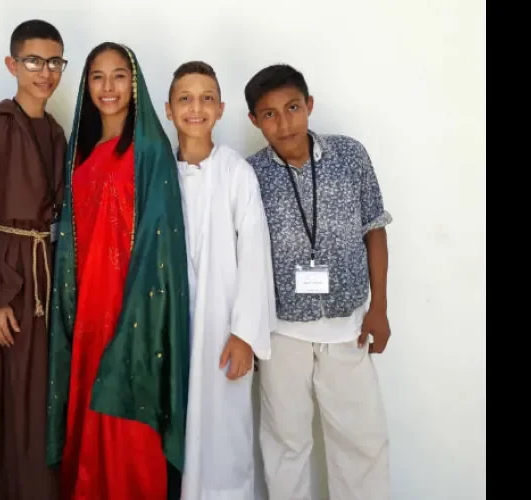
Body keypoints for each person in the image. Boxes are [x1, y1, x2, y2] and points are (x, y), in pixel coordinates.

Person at [45, 42, 191, 500]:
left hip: (133, 304)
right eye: (97, 77)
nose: (108, 88)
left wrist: (136, 315)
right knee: (87, 399)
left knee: (128, 399)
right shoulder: (80, 150)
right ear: (86, 84)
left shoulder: (149, 148)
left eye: (119, 76)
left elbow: (161, 237)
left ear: (135, 83)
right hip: (84, 302)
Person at [244, 63, 392, 500]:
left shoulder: (349, 156)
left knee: (362, 441)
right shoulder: (250, 175)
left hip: (349, 327)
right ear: (254, 120)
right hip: (281, 333)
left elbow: (375, 228)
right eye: (269, 114)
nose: (284, 122)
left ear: (309, 105)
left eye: (292, 107)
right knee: (286, 444)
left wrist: (379, 307)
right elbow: (243, 260)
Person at [0, 19, 67, 500]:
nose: (45, 72)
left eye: (54, 62)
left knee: (38, 393)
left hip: (43, 277)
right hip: (4, 274)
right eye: (33, 61)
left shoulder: (57, 132)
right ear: (12, 65)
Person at [164, 61, 277, 500]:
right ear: (169, 110)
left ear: (222, 108)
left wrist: (245, 334)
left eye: (207, 98)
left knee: (223, 438)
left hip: (221, 332)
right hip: (169, 329)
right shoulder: (157, 173)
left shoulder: (235, 172)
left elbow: (254, 255)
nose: (197, 107)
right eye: (185, 99)